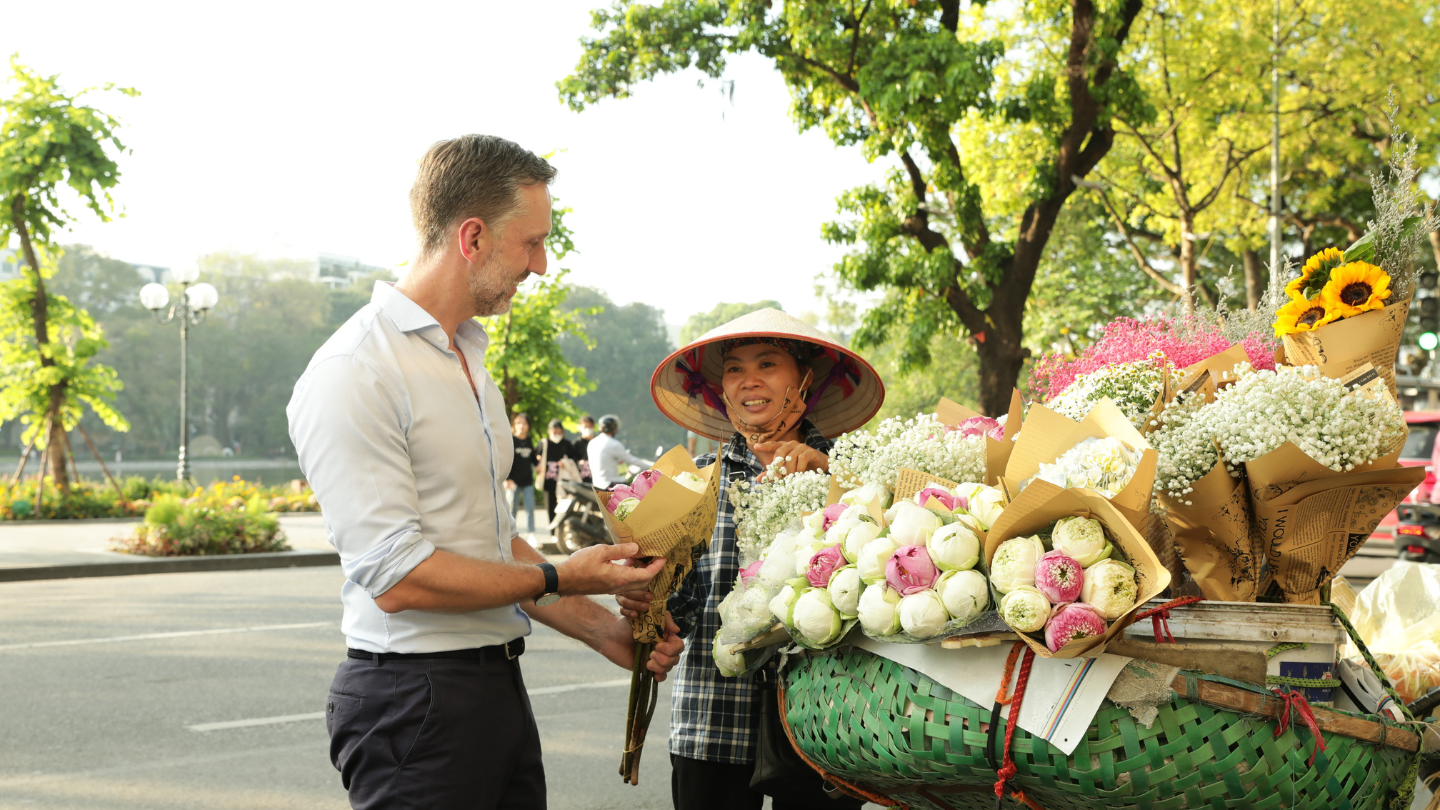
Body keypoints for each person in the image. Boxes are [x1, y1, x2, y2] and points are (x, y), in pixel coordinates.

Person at [287, 134, 683, 810]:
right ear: (472, 237)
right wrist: (566, 571)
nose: (541, 263)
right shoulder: (357, 369)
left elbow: (492, 547)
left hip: (493, 689)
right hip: (414, 701)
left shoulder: (467, 360)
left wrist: (603, 629)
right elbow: (398, 577)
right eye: (531, 242)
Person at [621, 308, 884, 810]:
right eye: (735, 369)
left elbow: (880, 581)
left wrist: (832, 480)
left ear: (805, 379)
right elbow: (680, 604)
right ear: (721, 389)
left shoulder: (854, 475)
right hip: (712, 717)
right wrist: (645, 602)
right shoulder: (694, 481)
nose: (750, 381)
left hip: (823, 717)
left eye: (768, 364)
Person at [587, 413, 652, 490]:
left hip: (596, 484)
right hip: (610, 484)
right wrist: (652, 466)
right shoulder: (614, 444)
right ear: (614, 429)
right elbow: (633, 460)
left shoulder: (592, 442)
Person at [507, 412, 538, 543]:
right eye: (518, 423)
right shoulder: (510, 440)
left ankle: (531, 534)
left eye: (524, 423)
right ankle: (509, 535)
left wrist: (538, 465)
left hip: (527, 481)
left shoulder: (529, 440)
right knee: (511, 509)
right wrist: (507, 478)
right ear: (514, 425)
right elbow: (505, 460)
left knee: (530, 508)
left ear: (528, 426)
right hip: (513, 481)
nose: (521, 425)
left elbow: (532, 459)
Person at [539, 418, 573, 526]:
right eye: (555, 432)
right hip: (549, 482)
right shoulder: (544, 444)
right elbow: (535, 456)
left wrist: (565, 463)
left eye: (560, 432)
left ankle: (562, 529)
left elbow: (573, 461)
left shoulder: (567, 444)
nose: (557, 434)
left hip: (563, 482)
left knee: (563, 507)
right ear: (549, 431)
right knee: (550, 507)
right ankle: (553, 532)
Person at [572, 415, 596, 483]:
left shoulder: (599, 442)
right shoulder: (576, 444)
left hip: (598, 481)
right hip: (581, 480)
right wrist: (578, 463)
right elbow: (572, 460)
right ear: (580, 427)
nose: (587, 429)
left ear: (593, 427)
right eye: (585, 427)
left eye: (590, 427)